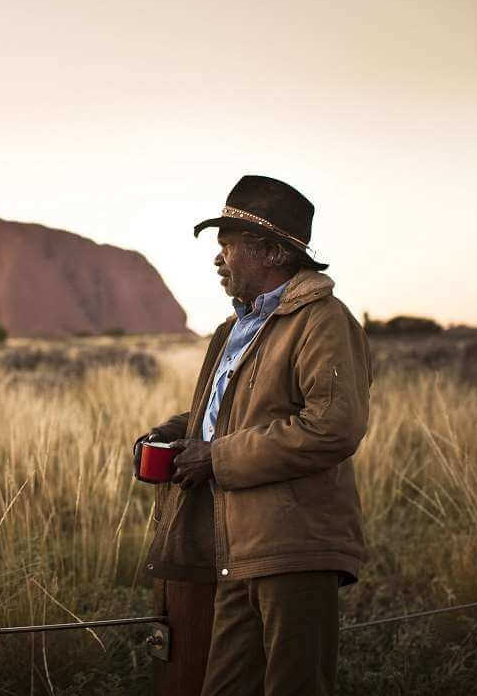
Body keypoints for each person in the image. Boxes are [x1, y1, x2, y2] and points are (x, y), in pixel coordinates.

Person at [133, 175, 372, 696]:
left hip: (295, 543)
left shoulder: (322, 320)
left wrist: (216, 458)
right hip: (237, 546)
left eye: (229, 245)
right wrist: (167, 437)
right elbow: (220, 417)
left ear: (271, 252)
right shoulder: (237, 328)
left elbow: (333, 426)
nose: (219, 260)